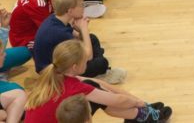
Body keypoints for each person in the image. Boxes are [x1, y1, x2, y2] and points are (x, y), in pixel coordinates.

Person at [25, 39, 172, 123]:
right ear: (75, 66)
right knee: (97, 96)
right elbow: (116, 101)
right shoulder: (74, 88)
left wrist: (138, 101)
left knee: (94, 87)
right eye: (85, 61)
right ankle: (142, 116)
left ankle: (140, 114)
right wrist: (137, 103)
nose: (88, 62)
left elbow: (100, 84)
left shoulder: (55, 75)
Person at [32, 0, 125, 83]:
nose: (83, 7)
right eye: (81, 5)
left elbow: (78, 38)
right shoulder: (60, 33)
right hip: (54, 74)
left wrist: (80, 30)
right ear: (70, 11)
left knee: (92, 38)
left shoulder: (57, 18)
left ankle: (98, 64)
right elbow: (88, 56)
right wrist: (84, 29)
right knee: (101, 63)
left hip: (59, 60)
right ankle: (96, 74)